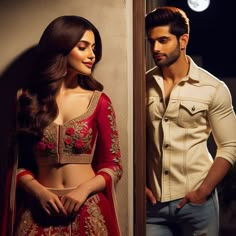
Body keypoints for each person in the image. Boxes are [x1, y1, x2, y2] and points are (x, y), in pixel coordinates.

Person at [3, 15, 123, 236]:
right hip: (38, 210)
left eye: (94, 48)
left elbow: (114, 165)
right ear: (62, 47)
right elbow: (17, 163)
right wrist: (38, 191)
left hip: (86, 209)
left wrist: (83, 191)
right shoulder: (26, 100)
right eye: (83, 47)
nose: (92, 55)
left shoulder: (99, 101)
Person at [145, 6, 236, 236]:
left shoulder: (212, 88)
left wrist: (203, 191)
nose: (156, 48)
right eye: (152, 41)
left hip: (197, 202)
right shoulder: (142, 84)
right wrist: (139, 185)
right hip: (152, 204)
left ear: (183, 40)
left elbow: (230, 146)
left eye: (163, 40)